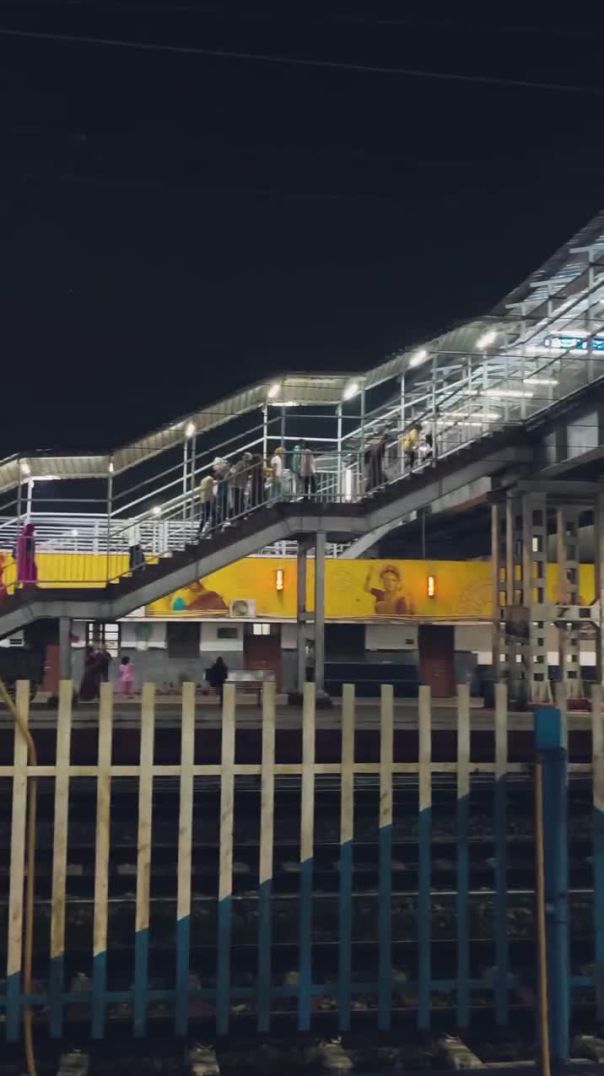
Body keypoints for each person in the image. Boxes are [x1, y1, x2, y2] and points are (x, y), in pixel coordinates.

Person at [16, 522, 37, 587]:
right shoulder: (28, 538)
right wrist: (31, 559)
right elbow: (28, 550)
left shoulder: (22, 537)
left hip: (22, 559)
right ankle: (31, 585)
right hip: (27, 559)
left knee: (23, 572)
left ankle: (23, 585)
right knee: (31, 571)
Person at [230, 454, 251, 519]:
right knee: (240, 499)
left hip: (238, 485)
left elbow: (235, 472)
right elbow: (236, 472)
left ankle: (239, 514)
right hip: (240, 485)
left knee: (237, 500)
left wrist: (233, 482)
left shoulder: (241, 463)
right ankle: (241, 513)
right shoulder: (245, 464)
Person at [212, 457, 230, 526]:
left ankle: (220, 520)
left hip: (222, 493)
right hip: (222, 493)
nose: (214, 467)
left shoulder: (222, 473)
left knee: (221, 506)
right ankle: (220, 520)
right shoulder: (221, 473)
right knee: (221, 506)